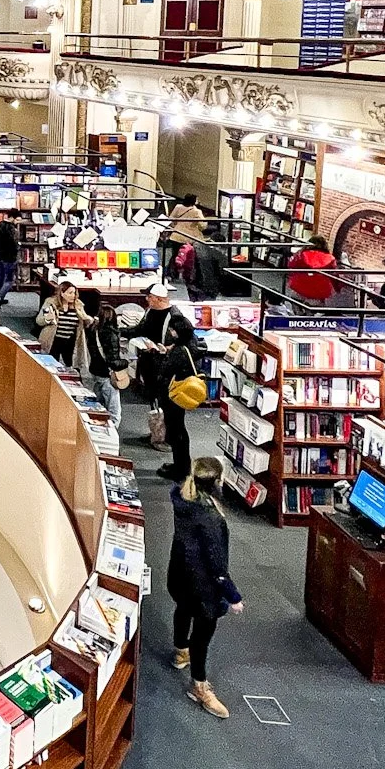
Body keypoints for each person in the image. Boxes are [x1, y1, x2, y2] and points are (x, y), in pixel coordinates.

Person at [168, 456, 244, 719]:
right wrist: (233, 596)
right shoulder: (211, 518)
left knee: (182, 609)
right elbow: (217, 565)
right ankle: (199, 686)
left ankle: (180, 651)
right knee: (202, 635)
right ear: (217, 482)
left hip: (179, 574)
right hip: (203, 588)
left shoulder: (181, 497)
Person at [128, 286, 200, 481]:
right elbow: (141, 329)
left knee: (177, 428)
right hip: (166, 383)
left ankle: (181, 468)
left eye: (150, 296)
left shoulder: (177, 324)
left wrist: (163, 351)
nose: (147, 300)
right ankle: (177, 461)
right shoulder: (153, 315)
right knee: (174, 426)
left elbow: (175, 363)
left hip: (174, 389)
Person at [82, 289, 128, 425]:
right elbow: (112, 360)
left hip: (96, 371)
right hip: (108, 374)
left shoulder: (92, 330)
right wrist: (126, 362)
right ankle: (111, 432)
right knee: (114, 410)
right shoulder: (111, 334)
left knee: (99, 405)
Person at [35, 281, 92, 366]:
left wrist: (87, 319)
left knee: (69, 366)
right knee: (50, 365)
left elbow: (86, 323)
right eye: (70, 293)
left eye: (74, 293)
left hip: (70, 342)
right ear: (62, 293)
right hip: (53, 340)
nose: (73, 296)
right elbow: (39, 321)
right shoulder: (51, 303)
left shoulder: (78, 305)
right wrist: (47, 319)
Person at [286, 235, 340, 307]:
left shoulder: (301, 255)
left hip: (299, 286)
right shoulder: (331, 259)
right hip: (320, 290)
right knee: (315, 311)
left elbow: (291, 265)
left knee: (296, 306)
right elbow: (334, 275)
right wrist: (337, 288)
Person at [0, 212, 20, 312]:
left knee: (0, 278)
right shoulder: (12, 230)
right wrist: (18, 248)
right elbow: (14, 245)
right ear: (12, 218)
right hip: (10, 257)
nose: (18, 222)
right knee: (9, 280)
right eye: (17, 220)